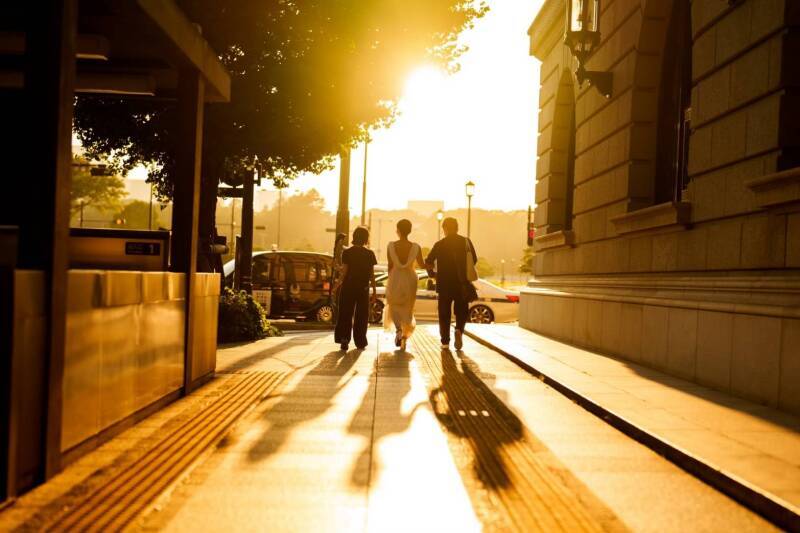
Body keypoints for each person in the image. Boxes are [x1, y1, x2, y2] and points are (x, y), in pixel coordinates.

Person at [425, 218, 477, 350]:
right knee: (461, 311)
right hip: (462, 283)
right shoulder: (465, 241)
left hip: (444, 283)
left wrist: (432, 274)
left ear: (444, 229)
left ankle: (445, 341)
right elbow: (474, 259)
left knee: (444, 313)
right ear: (457, 227)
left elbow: (428, 260)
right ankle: (459, 330)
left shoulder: (440, 244)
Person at [333, 226, 377, 351]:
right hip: (363, 288)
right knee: (361, 315)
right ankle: (360, 341)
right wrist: (373, 291)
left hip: (348, 287)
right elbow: (371, 274)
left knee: (345, 313)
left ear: (354, 237)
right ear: (365, 238)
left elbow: (344, 272)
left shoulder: (347, 252)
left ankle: (344, 339)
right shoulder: (370, 254)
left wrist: (336, 286)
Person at [384, 219, 426, 350]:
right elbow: (422, 265)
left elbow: (390, 265)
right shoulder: (416, 247)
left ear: (398, 230)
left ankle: (398, 330)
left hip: (395, 277)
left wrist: (391, 279)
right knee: (408, 307)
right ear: (410, 230)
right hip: (410, 278)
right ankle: (405, 334)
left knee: (394, 305)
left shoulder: (391, 246)